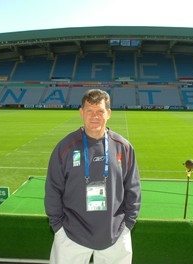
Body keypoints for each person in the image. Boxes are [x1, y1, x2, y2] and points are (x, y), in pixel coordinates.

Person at [44, 89, 141, 264]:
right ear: (81, 112)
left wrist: (127, 225)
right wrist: (58, 228)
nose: (94, 116)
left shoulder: (123, 147)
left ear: (108, 113)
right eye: (89, 111)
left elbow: (133, 189)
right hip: (71, 235)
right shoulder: (65, 147)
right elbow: (53, 189)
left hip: (115, 236)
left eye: (100, 111)